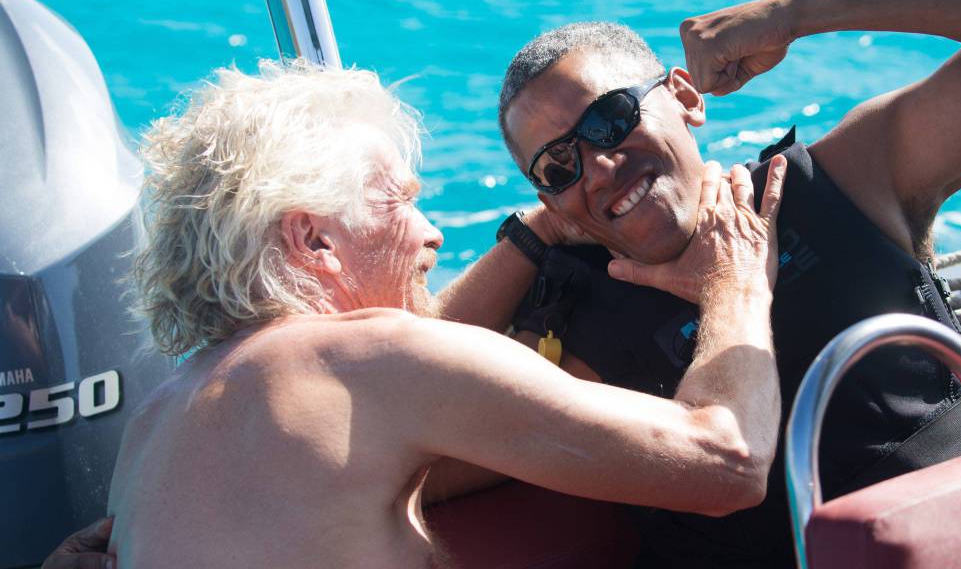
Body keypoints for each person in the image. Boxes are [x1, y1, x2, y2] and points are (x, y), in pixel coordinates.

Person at [483, 0, 961, 566]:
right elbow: (403, 388)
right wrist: (531, 235)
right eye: (559, 166)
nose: (599, 167)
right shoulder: (570, 333)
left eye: (609, 119)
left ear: (684, 97)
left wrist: (802, 12)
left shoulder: (846, 185)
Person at [102, 61, 790, 567]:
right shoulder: (371, 363)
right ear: (315, 241)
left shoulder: (153, 427)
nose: (432, 234)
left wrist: (542, 230)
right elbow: (726, 459)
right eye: (400, 202)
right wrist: (736, 279)